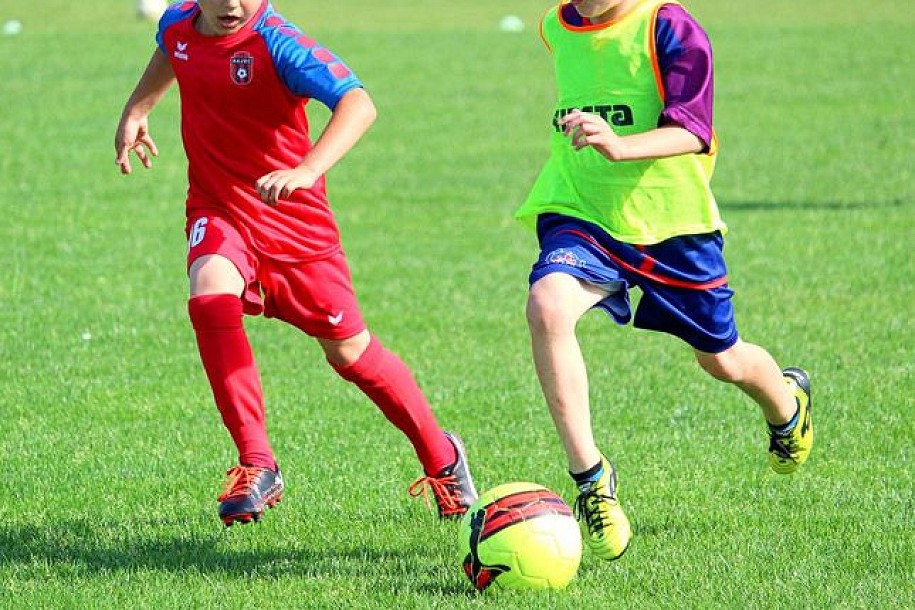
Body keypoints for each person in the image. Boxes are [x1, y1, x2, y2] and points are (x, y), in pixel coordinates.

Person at [114, 0, 476, 526]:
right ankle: (257, 463)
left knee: (351, 354)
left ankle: (443, 459)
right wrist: (137, 110)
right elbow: (172, 50)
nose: (231, 4)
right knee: (210, 295)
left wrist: (307, 169)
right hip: (220, 208)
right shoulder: (177, 21)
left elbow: (358, 103)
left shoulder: (278, 42)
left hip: (296, 229)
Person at [517, 0, 813, 560]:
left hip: (673, 225)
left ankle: (786, 405)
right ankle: (591, 480)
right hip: (583, 211)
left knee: (721, 360)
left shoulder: (669, 25)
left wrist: (619, 144)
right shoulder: (555, 25)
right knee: (547, 306)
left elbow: (693, 129)